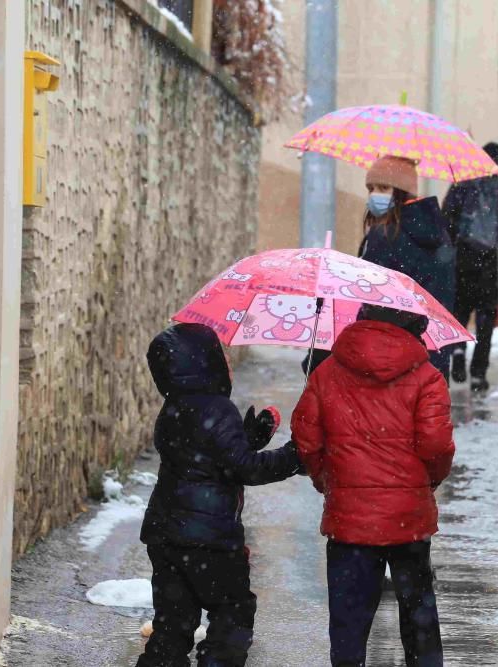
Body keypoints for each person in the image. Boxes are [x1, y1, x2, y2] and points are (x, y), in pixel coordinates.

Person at [291, 304, 455, 667]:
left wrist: (327, 481)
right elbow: (436, 445)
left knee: (349, 622)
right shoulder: (427, 377)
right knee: (418, 617)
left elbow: (306, 437)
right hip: (408, 519)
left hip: (349, 520)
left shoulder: (326, 373)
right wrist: (426, 483)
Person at [138, 323, 304, 667]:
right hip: (210, 540)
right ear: (204, 361)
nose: (226, 360)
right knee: (233, 614)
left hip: (166, 535)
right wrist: (293, 456)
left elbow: (205, 459)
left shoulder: (172, 410)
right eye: (219, 353)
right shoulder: (217, 408)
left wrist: (246, 440)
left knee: (172, 625)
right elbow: (245, 469)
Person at [359, 155, 456, 381]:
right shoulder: (440, 235)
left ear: (403, 192)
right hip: (431, 354)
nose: (374, 195)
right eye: (371, 188)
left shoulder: (384, 236)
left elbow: (367, 298)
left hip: (388, 357)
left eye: (383, 187)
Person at [441, 141, 498, 392]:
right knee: (487, 320)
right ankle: (479, 372)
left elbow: (446, 221)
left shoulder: (460, 187)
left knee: (459, 313)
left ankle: (456, 350)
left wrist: (447, 255)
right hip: (488, 263)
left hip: (462, 260)